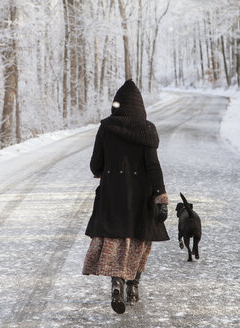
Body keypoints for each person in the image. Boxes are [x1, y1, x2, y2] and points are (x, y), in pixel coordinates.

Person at [82, 79, 169, 314]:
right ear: (140, 107)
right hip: (141, 196)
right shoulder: (147, 130)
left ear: (116, 106)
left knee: (114, 240)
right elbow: (153, 167)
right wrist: (160, 196)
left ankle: (117, 283)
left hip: (113, 196)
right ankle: (133, 286)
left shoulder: (106, 128)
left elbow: (95, 165)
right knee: (140, 240)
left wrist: (106, 170)